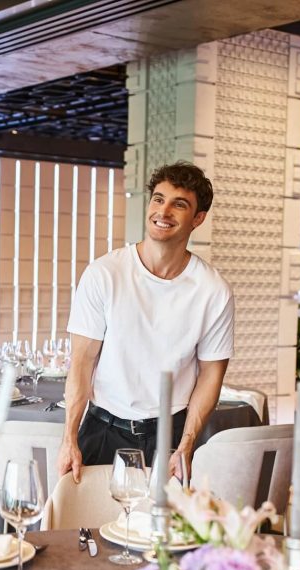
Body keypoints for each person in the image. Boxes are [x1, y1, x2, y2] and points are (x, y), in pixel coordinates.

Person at [57, 161, 234, 484]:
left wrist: (187, 444)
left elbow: (211, 375)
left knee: (161, 534)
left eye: (179, 204)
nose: (163, 211)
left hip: (170, 435)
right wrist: (69, 436)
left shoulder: (213, 291)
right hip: (102, 429)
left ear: (198, 219)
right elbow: (81, 363)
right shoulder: (104, 274)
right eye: (158, 199)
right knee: (82, 531)